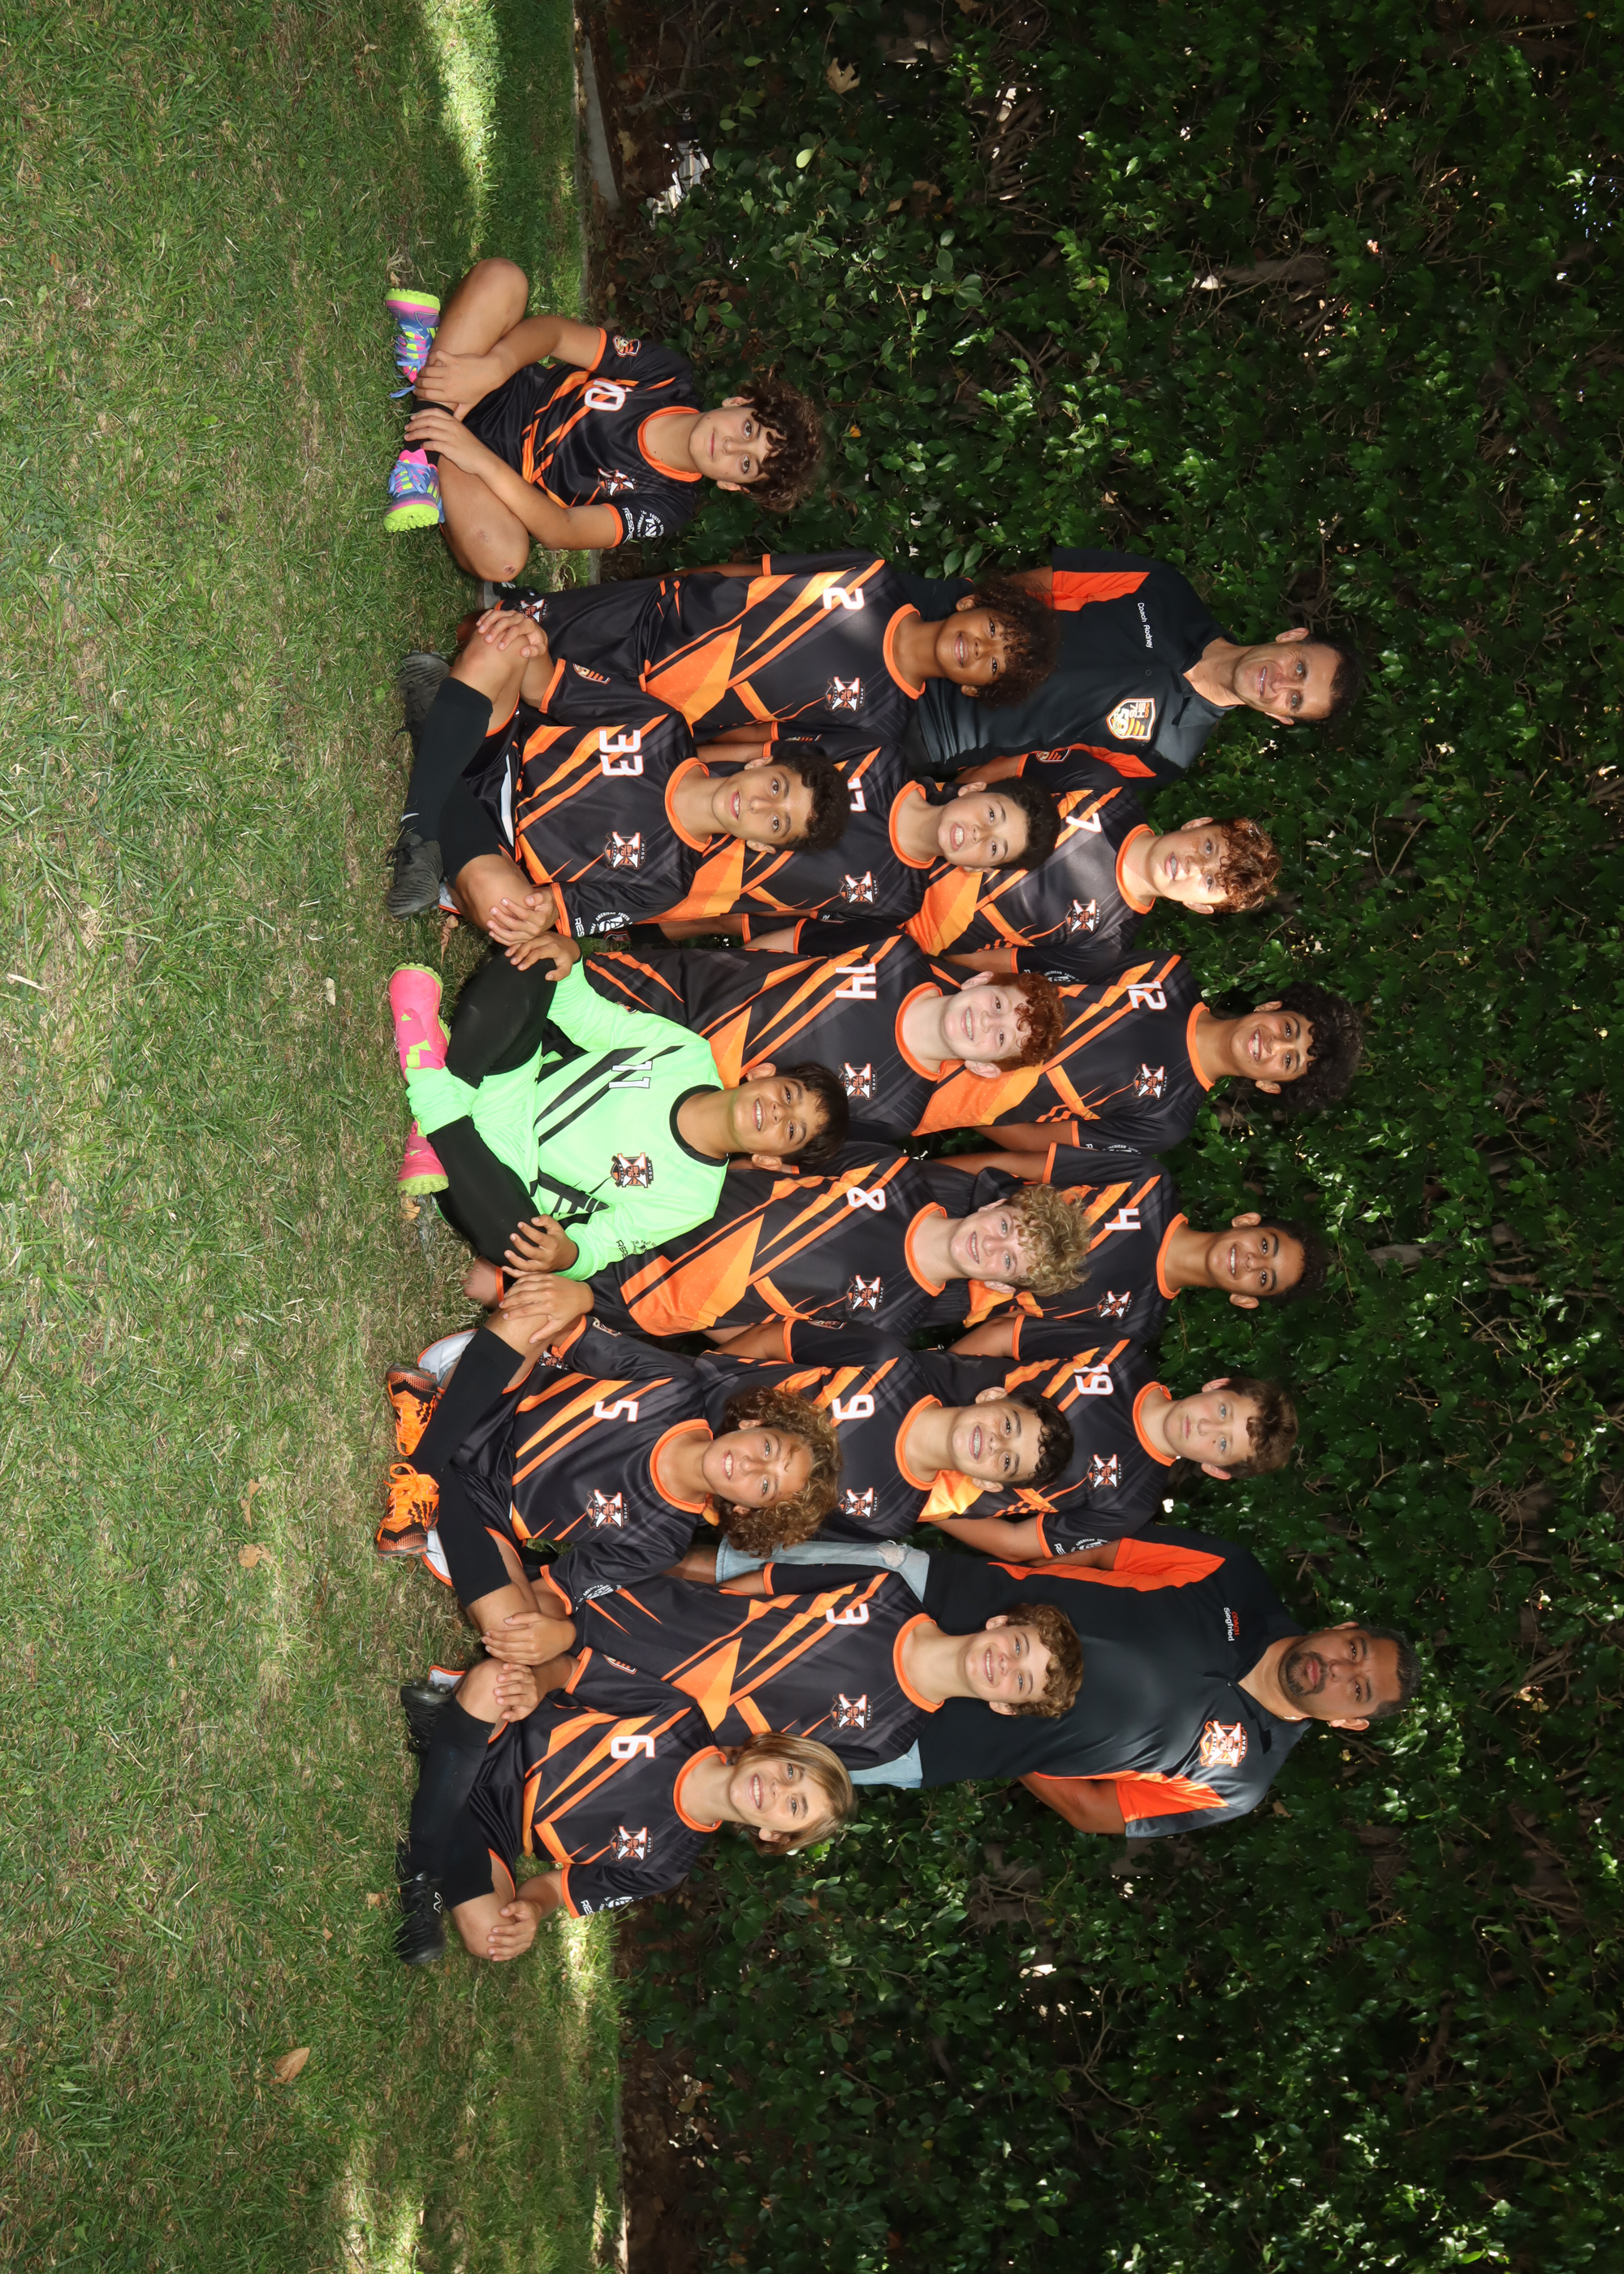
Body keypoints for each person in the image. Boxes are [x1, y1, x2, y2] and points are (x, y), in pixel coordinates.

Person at [700, 1529, 1418, 1837]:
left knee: (751, 1753)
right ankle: (649, 1574)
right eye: (1355, 1651)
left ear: (1349, 1721)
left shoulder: (1240, 1783)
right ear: (1343, 1628)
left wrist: (1020, 1743)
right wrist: (1000, 1569)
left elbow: (1098, 1813)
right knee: (759, 1589)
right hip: (957, 1599)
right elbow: (1102, 1555)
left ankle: (647, 1743)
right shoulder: (1234, 1576)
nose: (1340, 1669)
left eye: (1358, 1689)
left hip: (937, 1741)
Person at [374, 1300, 841, 1654]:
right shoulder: (676, 1387)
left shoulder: (662, 1543)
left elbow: (556, 1593)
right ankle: (429, 1468)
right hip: (493, 1402)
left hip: (489, 1508)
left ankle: (430, 1442)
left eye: (765, 1486)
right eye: (768, 1449)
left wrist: (557, 1632)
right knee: (533, 1314)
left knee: (510, 1626)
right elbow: (569, 1328)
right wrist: (572, 1297)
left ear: (744, 1509)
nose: (753, 1466)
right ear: (753, 1424)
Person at [385, 931, 848, 1272]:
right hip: (511, 1086)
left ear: (769, 1159)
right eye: (789, 1095)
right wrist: (569, 958)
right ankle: (440, 1107)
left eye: (792, 1130)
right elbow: (588, 1018)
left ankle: (435, 1091)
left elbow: (606, 1244)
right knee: (539, 962)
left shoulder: (694, 1199)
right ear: (764, 1073)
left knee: (521, 1247)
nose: (780, 1113)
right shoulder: (689, 1054)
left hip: (503, 1173)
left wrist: (570, 1255)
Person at [387, 610, 849, 925]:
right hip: (497, 753)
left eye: (776, 822)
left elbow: (556, 908)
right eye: (776, 786)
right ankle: (425, 823)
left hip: (498, 846)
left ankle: (438, 730)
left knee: (506, 909)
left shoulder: (670, 883)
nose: (760, 804)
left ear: (762, 845)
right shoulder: (664, 727)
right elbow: (544, 686)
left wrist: (540, 915)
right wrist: (534, 641)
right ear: (762, 762)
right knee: (509, 642)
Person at [391, 1650, 853, 1965]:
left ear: (773, 1835)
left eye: (794, 1806)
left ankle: (443, 1749)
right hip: (505, 1737)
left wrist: (531, 1910)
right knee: (495, 1680)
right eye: (790, 1771)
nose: (778, 1788)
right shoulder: (680, 1715)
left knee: (488, 1936)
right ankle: (423, 1871)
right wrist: (536, 1683)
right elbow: (570, 1670)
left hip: (497, 1830)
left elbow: (557, 1889)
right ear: (770, 1748)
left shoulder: (667, 1866)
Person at [382, 260, 821, 568]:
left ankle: (433, 382)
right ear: (737, 403)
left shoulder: (670, 506)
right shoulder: (668, 376)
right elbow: (556, 336)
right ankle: (427, 446)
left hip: (496, 479)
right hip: (499, 385)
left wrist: (479, 459)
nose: (729, 445)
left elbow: (562, 529)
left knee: (503, 559)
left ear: (732, 485)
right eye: (748, 429)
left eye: (745, 464)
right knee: (504, 278)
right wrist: (495, 367)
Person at [490, 1137, 1095, 1349]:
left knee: (492, 1283)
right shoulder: (894, 1172)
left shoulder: (895, 1322)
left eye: (1009, 1261)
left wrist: (690, 1316)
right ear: (993, 1205)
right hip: (651, 1205)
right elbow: (770, 1164)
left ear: (999, 1287)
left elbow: (768, 1337)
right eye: (1007, 1227)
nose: (992, 1245)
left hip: (646, 1297)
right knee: (510, 1210)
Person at [527, 1316, 1075, 1541]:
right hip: (655, 1399)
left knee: (543, 1486)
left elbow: (778, 1524)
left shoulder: (890, 1515)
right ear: (991, 1396)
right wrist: (704, 1375)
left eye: (1007, 1460)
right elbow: (776, 1339)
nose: (996, 1442)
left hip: (662, 1486)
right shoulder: (886, 1361)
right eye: (1009, 1424)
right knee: (537, 1393)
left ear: (989, 1483)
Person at [499, 1566, 1082, 1775]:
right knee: (523, 1615)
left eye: (1020, 1681)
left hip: (638, 1711)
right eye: (1018, 1645)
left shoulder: (887, 1741)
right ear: (1001, 1622)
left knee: (517, 1693)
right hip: (651, 1622)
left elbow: (754, 1761)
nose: (1005, 1664)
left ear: (1004, 1706)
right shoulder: (887, 1590)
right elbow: (764, 1581)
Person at [720, 775, 1279, 984]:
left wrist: (912, 946)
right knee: (744, 864)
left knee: (751, 937)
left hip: (892, 929)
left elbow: (989, 963)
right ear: (1198, 824)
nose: (1196, 865)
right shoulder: (1107, 791)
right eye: (1210, 848)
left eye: (1212, 883)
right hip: (897, 841)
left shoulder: (1104, 948)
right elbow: (1003, 779)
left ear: (1202, 908)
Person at [484, 548, 1060, 746]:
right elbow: (749, 572)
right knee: (488, 631)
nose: (979, 647)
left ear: (973, 689)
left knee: (518, 704)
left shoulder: (881, 724)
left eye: (993, 664)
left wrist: (682, 735)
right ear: (971, 602)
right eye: (993, 629)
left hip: (661, 701)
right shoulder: (871, 575)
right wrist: (667, 587)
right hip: (659, 619)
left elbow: (763, 738)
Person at [888, 547, 1366, 785]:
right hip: (925, 626)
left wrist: (959, 787)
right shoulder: (1164, 590)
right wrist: (963, 617)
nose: (1280, 684)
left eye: (1295, 700)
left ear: (1281, 718)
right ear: (1291, 638)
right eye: (1299, 669)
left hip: (931, 735)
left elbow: (1031, 766)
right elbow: (1039, 586)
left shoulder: (1168, 755)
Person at [582, 934, 1065, 1139]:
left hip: (654, 1088)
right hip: (667, 989)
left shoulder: (898, 1114)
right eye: (998, 1005)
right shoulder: (895, 951)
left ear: (984, 1068)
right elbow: (791, 942)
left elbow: (786, 1141)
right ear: (980, 980)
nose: (986, 1023)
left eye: (1001, 1040)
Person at [902, 951, 1364, 1143]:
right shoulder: (1167, 974)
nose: (1273, 1045)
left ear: (1270, 1085)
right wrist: (930, 966)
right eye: (1288, 1029)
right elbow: (1026, 965)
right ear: (1271, 1005)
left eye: (1289, 1060)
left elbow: (1036, 1142)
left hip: (918, 1099)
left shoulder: (1168, 1121)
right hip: (926, 1005)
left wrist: (957, 1110)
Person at [937, 1141, 1330, 1354]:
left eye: (1263, 1278)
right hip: (943, 1204)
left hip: (933, 1293)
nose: (1252, 1261)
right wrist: (914, 1178)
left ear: (1244, 1299)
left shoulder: (1133, 1326)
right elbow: (1009, 1161)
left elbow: (1005, 1333)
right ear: (1246, 1221)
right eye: (1265, 1245)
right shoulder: (1145, 1182)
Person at [914, 1342, 1298, 1550]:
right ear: (1216, 1386)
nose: (1205, 1425)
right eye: (1223, 1410)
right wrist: (936, 1375)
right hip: (911, 1391)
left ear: (1216, 1469)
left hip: (910, 1484)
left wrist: (919, 1505)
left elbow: (1014, 1543)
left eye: (1223, 1442)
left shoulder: (1131, 1506)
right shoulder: (1120, 1355)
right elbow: (1005, 1333)